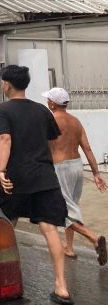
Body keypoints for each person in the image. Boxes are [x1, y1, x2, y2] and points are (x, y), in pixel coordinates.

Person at [0, 65, 74, 305]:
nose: (1, 85)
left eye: (1, 82)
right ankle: (61, 287)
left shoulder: (1, 110)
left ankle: (3, 282)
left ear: (7, 84)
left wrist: (0, 169)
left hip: (15, 178)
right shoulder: (42, 111)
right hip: (44, 177)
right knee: (50, 229)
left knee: (5, 227)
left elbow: (5, 139)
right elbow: (50, 142)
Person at [43, 87, 107, 265]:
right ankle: (69, 247)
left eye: (48, 99)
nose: (47, 101)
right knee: (71, 207)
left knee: (61, 211)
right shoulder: (76, 122)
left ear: (53, 103)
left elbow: (43, 148)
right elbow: (87, 148)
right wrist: (96, 173)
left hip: (59, 168)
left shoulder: (50, 121)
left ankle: (94, 237)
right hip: (77, 167)